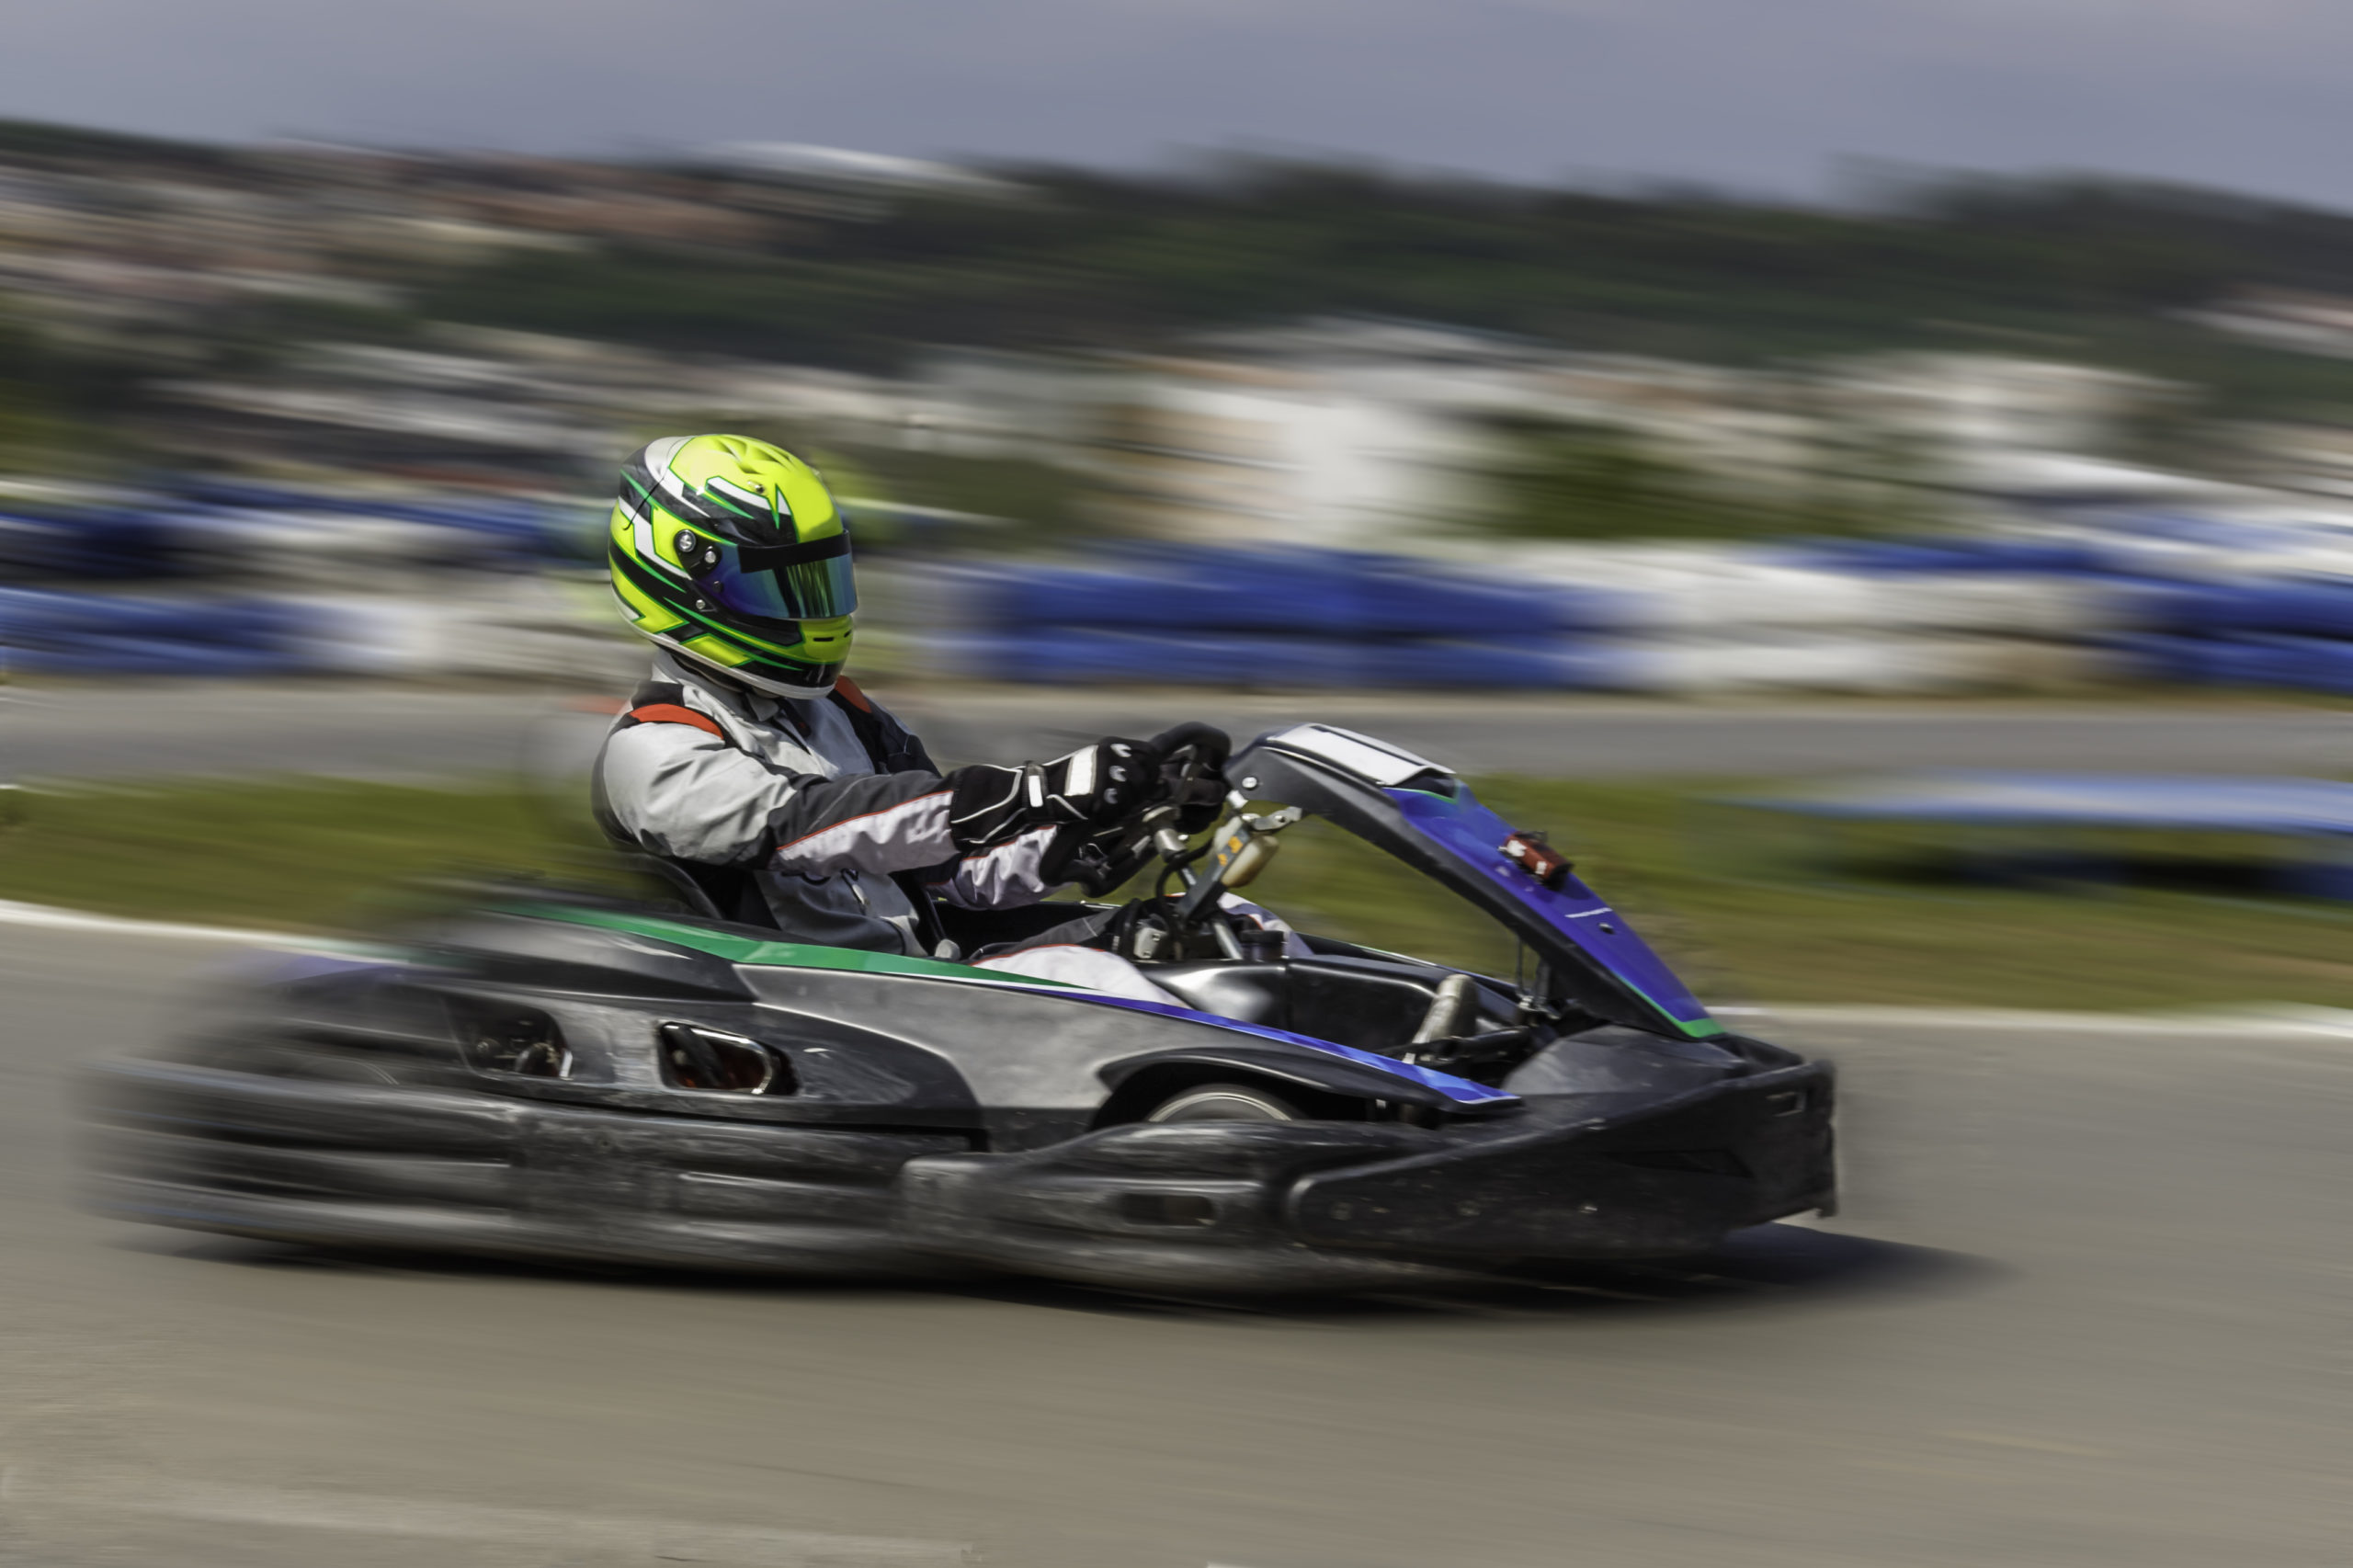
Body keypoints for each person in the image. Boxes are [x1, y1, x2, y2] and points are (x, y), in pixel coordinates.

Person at [592, 434, 1288, 1002]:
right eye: (776, 585)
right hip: (825, 1009)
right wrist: (1034, 790)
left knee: (1231, 932)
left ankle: (1370, 1092)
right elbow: (811, 828)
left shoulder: (842, 714)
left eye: (816, 580)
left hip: (933, 977)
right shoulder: (655, 750)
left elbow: (946, 866)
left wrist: (1099, 826)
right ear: (691, 582)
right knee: (1104, 985)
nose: (809, 609)